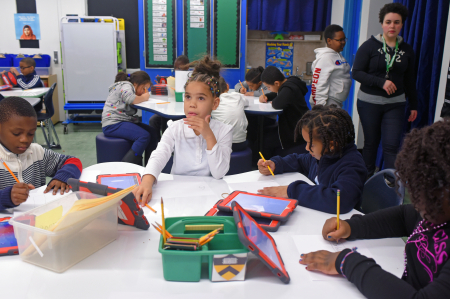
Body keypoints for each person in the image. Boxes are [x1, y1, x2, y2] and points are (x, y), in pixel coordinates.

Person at [299, 118, 450, 298]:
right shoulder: (434, 212)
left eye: (427, 196)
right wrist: (353, 226)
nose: (416, 203)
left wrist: (347, 261)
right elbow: (404, 216)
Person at [133, 56, 233, 206]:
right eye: (188, 97)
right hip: (179, 195)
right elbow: (159, 154)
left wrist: (209, 136)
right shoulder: (175, 128)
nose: (192, 104)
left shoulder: (224, 131)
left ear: (215, 103)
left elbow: (219, 173)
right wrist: (147, 180)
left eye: (200, 98)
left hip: (211, 196)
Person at [257, 105, 367, 214]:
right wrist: (276, 164)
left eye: (311, 144)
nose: (306, 148)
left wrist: (292, 191)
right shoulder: (322, 155)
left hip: (341, 223)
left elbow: (339, 200)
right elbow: (299, 160)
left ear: (331, 145)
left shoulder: (352, 165)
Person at [353, 3, 417, 177]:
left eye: (397, 22)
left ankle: (390, 184)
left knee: (391, 145)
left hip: (395, 104)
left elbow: (410, 79)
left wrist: (414, 104)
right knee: (371, 143)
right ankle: (365, 181)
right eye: (388, 22)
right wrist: (381, 82)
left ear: (402, 25)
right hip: (369, 103)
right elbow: (356, 73)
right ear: (382, 23)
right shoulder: (369, 46)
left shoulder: (407, 49)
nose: (392, 26)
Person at [0, 97, 82, 210]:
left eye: (30, 133)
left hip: (37, 219)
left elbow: (73, 161)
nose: (24, 139)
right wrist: (7, 197)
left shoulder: (36, 152)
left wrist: (63, 177)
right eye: (16, 133)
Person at [101, 71, 158, 165]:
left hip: (122, 121)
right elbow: (130, 99)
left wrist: (142, 95)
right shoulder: (126, 85)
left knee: (152, 132)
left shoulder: (129, 87)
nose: (144, 92)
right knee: (143, 136)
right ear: (135, 84)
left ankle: (150, 166)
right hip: (113, 124)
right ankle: (126, 165)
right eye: (143, 88)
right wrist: (144, 97)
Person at [259, 66, 309, 157]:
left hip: (295, 130)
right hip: (297, 124)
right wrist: (268, 97)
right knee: (266, 136)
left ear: (277, 83)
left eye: (268, 87)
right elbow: (278, 94)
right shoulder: (289, 82)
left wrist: (273, 101)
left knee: (266, 141)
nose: (269, 89)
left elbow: (277, 104)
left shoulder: (288, 89)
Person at [310, 24, 352, 108]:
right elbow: (318, 84)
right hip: (327, 102)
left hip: (336, 102)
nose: (343, 42)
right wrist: (319, 108)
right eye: (340, 40)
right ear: (329, 41)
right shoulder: (325, 58)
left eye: (344, 39)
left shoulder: (338, 56)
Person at [149, 55, 190, 138]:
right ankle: (158, 145)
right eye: (175, 68)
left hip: (183, 110)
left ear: (187, 67)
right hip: (172, 108)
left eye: (179, 68)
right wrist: (162, 85)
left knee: (166, 119)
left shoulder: (191, 79)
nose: (176, 70)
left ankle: (168, 146)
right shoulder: (172, 79)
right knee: (153, 120)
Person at [212, 77, 249, 151]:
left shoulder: (213, 102)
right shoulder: (237, 97)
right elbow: (247, 102)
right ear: (227, 86)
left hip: (221, 145)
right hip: (240, 144)